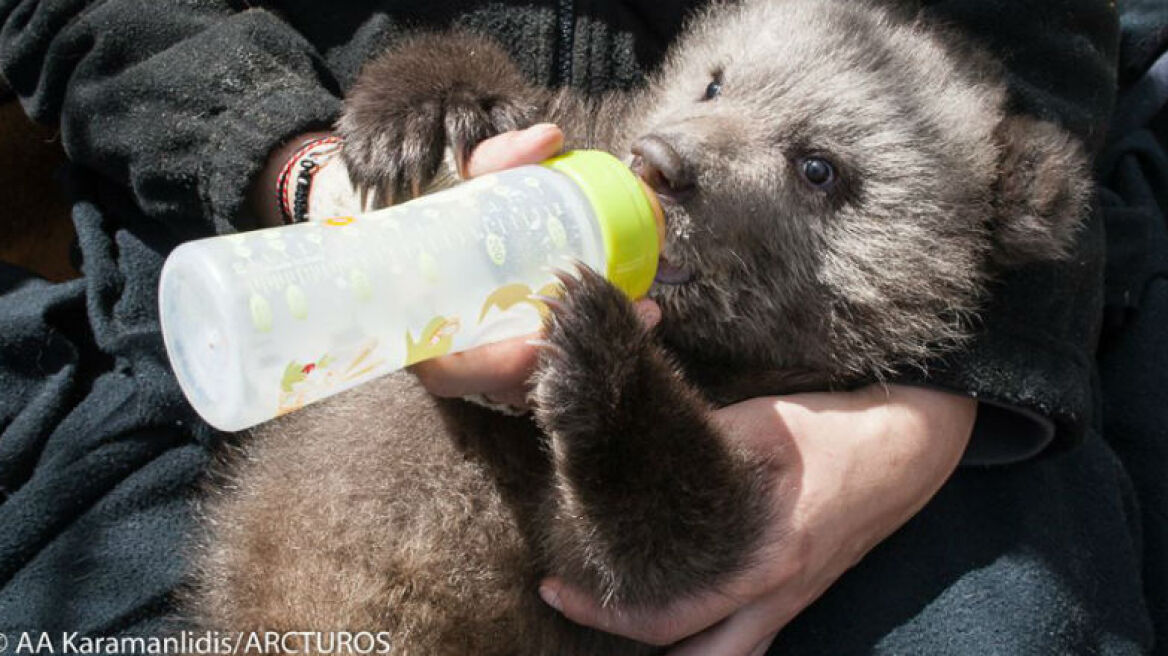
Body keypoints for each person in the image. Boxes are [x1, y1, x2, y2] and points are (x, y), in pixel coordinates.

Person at [0, 0, 1154, 654]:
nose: (680, 144)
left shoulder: (807, 348)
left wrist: (942, 402)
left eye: (816, 173)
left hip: (849, 449)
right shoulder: (576, 145)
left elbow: (667, 549)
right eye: (709, 94)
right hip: (238, 330)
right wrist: (333, 155)